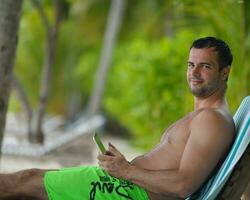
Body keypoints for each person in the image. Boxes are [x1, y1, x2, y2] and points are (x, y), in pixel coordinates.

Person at [0, 36, 235, 200]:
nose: (194, 73)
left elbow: (184, 185)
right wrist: (122, 167)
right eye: (191, 64)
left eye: (204, 66)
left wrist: (126, 171)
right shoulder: (204, 117)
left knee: (24, 180)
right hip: (122, 187)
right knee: (25, 190)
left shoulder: (211, 120)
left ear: (224, 72)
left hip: (124, 192)